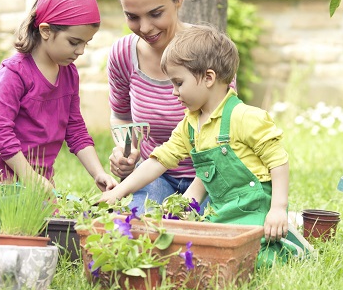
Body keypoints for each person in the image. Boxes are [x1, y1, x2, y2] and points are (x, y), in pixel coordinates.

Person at [101, 24, 302, 267]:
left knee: (252, 260)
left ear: (208, 77)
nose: (174, 92)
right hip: (222, 211)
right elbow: (159, 161)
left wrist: (278, 208)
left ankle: (291, 240)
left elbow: (278, 161)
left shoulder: (246, 117)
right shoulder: (190, 124)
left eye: (178, 83)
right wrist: (118, 192)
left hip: (256, 209)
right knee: (203, 255)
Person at [108, 0, 236, 213]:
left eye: (156, 14)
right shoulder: (122, 54)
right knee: (138, 226)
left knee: (213, 228)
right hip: (155, 173)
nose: (144, 28)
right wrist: (126, 152)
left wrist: (187, 204)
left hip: (210, 176)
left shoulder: (208, 51)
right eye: (132, 16)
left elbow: (225, 135)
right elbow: (121, 115)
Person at [0, 0, 118, 192]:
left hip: (39, 182)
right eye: (74, 42)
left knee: (54, 226)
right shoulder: (13, 74)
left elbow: (75, 129)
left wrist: (98, 172)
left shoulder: (69, 74)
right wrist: (30, 178)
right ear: (45, 31)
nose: (80, 51)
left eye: (86, 43)